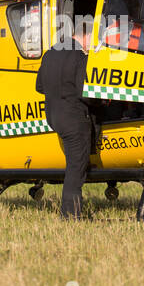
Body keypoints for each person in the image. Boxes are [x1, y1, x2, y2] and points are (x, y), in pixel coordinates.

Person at [36, 18, 96, 218]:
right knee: (76, 165)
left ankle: (71, 211)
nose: (94, 45)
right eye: (94, 40)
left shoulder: (50, 54)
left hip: (53, 115)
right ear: (85, 36)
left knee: (72, 161)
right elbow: (84, 92)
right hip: (73, 118)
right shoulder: (80, 57)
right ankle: (71, 214)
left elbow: (39, 87)